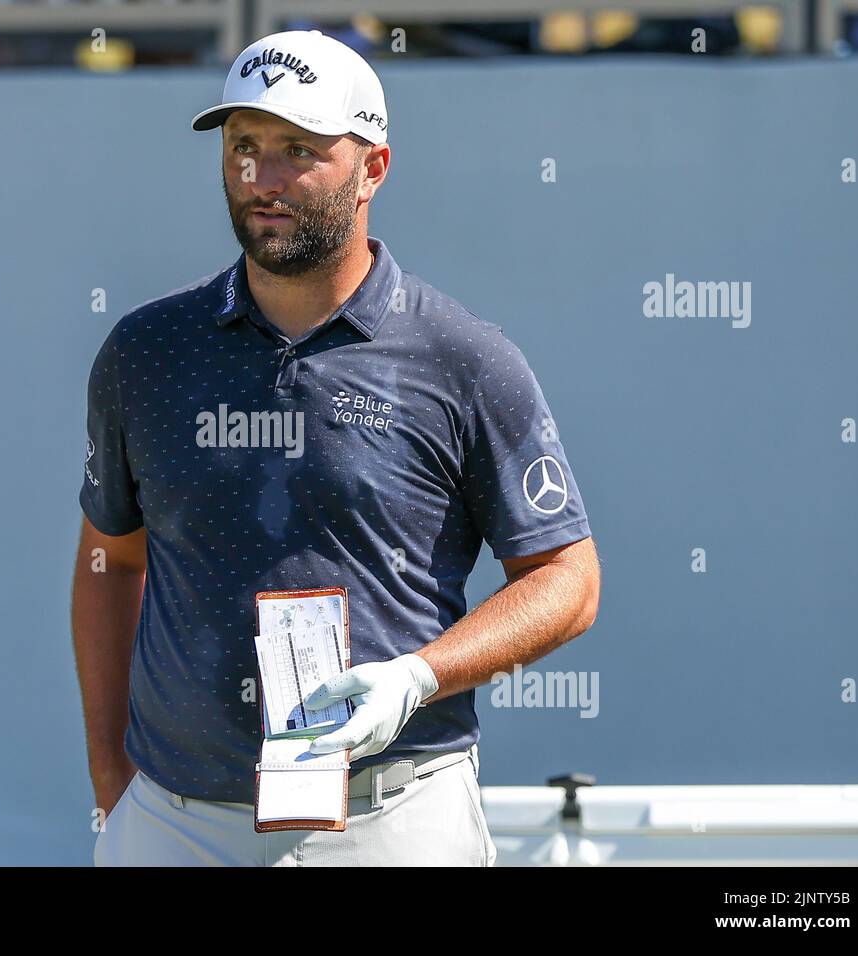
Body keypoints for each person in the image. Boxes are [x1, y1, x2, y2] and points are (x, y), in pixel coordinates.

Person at [72, 28, 601, 867]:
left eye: (298, 150)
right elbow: (111, 561)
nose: (264, 178)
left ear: (373, 170)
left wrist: (417, 677)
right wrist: (112, 775)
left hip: (391, 812)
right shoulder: (148, 350)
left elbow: (568, 580)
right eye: (245, 146)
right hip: (177, 820)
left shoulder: (461, 356)